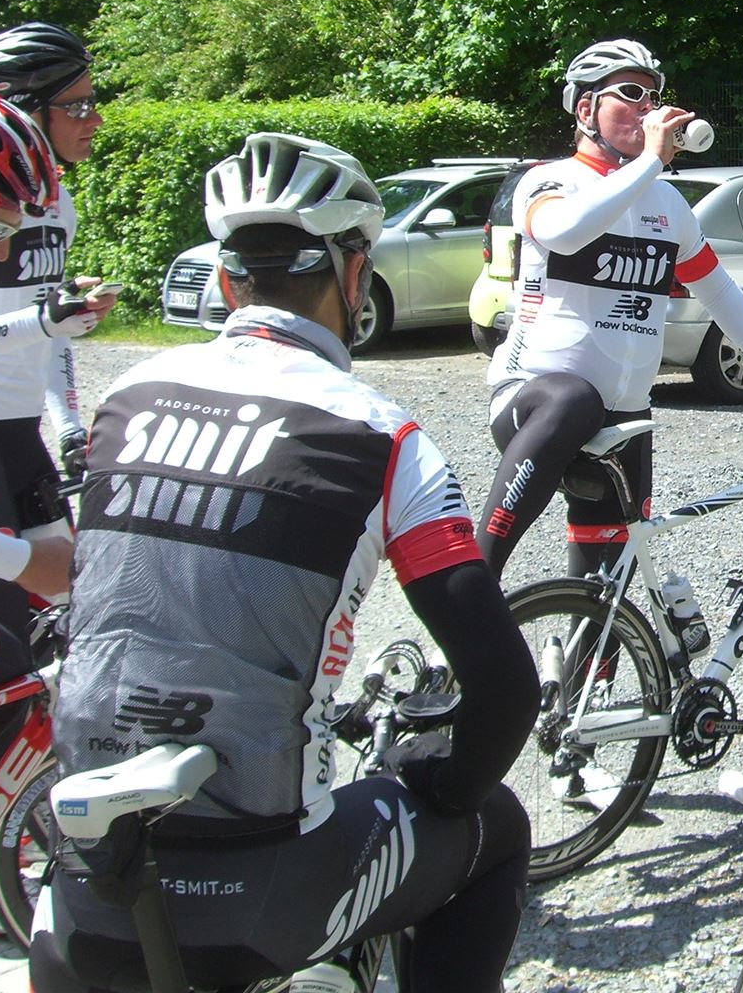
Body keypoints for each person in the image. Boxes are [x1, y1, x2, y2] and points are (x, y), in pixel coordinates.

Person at [30, 134, 538, 993]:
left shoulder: (126, 396)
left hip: (87, 883)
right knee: (497, 826)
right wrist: (444, 783)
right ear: (354, 272)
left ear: (228, 281)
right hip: (263, 890)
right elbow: (507, 691)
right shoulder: (381, 438)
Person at [477, 37, 743, 582]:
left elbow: (721, 294)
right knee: (573, 399)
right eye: (631, 93)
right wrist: (651, 162)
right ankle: (471, 584)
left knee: (604, 590)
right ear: (586, 109)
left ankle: (591, 640)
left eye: (654, 96)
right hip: (539, 398)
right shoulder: (551, 180)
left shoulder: (667, 204)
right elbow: (562, 232)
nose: (648, 107)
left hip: (627, 415)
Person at [0, 78, 112, 880]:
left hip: (13, 441)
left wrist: (48, 332)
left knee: (23, 665)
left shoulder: (31, 219)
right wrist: (17, 558)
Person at [0, 25, 102, 626]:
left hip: (19, 429)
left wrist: (67, 426)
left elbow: (51, 331)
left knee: (75, 602)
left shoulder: (56, 203)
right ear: (20, 106)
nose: (94, 119)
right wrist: (41, 322)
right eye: (78, 106)